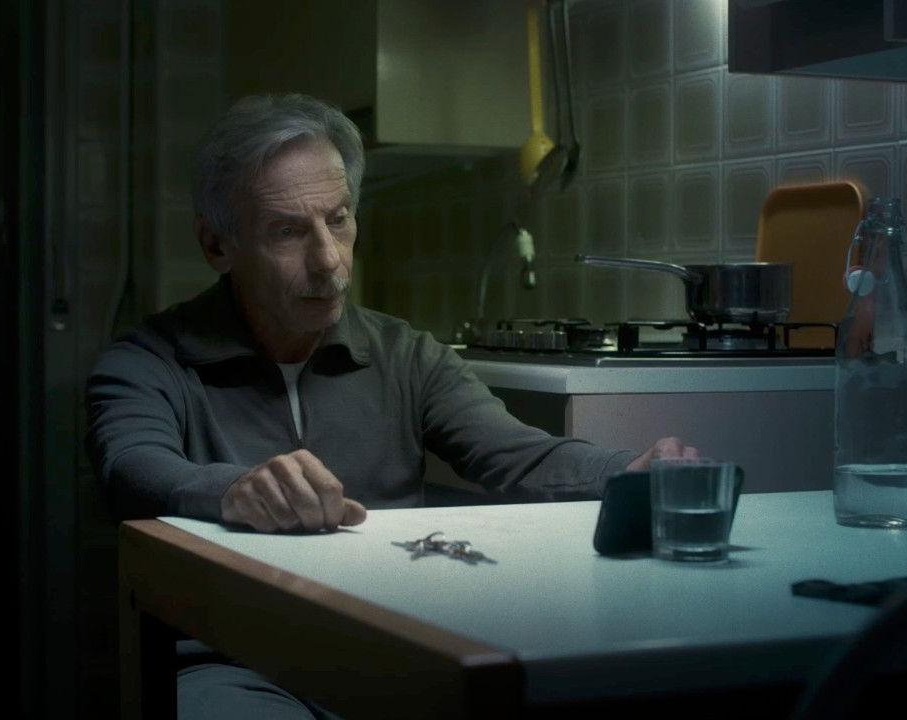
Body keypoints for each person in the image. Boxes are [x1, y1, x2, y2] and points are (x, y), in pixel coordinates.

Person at [84, 92, 697, 717]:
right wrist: (233, 490)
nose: (328, 261)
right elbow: (132, 469)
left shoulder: (407, 354)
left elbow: (518, 454)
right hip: (231, 664)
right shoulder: (148, 359)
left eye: (339, 220)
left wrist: (629, 471)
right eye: (287, 231)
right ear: (217, 245)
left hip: (394, 652)